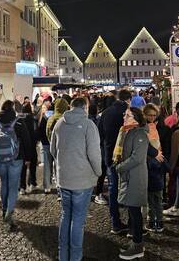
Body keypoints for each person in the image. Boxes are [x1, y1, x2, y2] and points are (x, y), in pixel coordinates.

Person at [50, 97, 102, 261]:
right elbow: (94, 154)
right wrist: (98, 172)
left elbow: (53, 150)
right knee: (78, 220)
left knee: (66, 216)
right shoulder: (88, 125)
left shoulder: (59, 124)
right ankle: (75, 257)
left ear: (71, 107)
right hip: (82, 180)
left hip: (64, 178)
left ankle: (62, 255)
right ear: (85, 107)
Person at [113, 106, 149, 260]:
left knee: (135, 211)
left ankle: (138, 246)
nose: (124, 117)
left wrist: (120, 167)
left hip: (136, 176)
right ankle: (136, 243)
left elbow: (137, 157)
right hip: (129, 176)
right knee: (133, 210)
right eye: (125, 114)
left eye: (127, 115)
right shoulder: (127, 131)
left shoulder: (140, 133)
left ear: (135, 118)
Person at [0, 100, 32, 229]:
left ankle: (4, 209)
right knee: (13, 186)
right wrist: (28, 157)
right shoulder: (19, 122)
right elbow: (27, 140)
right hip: (16, 158)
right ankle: (9, 211)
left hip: (0, 159)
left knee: (4, 183)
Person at [98, 89, 131, 234]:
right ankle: (132, 222)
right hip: (127, 156)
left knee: (113, 189)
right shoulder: (129, 113)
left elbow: (100, 135)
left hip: (109, 155)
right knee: (130, 187)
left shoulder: (105, 113)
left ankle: (115, 222)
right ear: (128, 99)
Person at [143, 104, 166, 233]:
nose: (152, 117)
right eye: (149, 115)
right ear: (145, 115)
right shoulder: (146, 127)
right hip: (152, 163)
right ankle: (154, 221)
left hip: (155, 164)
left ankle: (156, 222)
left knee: (155, 196)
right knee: (153, 196)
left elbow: (155, 145)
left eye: (153, 115)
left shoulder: (154, 127)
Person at [19, 103, 38, 194]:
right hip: (32, 145)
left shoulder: (18, 119)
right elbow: (35, 132)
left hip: (21, 146)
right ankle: (32, 183)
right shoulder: (33, 118)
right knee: (32, 165)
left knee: (22, 167)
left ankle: (22, 186)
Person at [36, 102, 53, 193]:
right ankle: (58, 185)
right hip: (56, 145)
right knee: (57, 166)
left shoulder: (45, 118)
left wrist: (42, 140)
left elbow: (40, 131)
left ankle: (47, 186)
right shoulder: (59, 117)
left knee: (47, 165)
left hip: (46, 144)